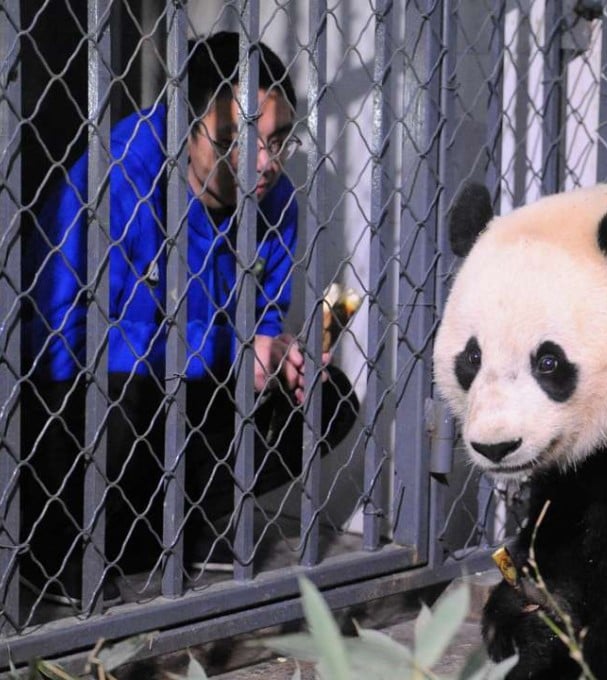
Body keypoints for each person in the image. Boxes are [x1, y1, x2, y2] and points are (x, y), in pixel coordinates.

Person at [21, 31, 359, 610]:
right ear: (185, 125)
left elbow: (263, 322)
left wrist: (281, 358)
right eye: (238, 139)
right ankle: (52, 549)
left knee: (330, 400)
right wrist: (226, 349)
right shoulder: (116, 172)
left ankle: (172, 532)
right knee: (124, 384)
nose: (265, 163)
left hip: (192, 396)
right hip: (84, 396)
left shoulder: (277, 203)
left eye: (277, 141)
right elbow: (51, 339)